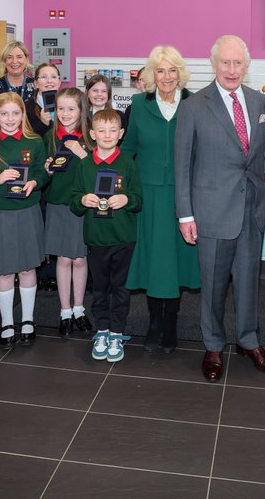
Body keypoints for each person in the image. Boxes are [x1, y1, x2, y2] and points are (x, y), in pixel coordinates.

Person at [175, 34, 265, 382]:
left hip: (251, 210)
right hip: (211, 212)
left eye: (238, 63)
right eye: (226, 62)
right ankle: (214, 346)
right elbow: (182, 164)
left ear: (246, 67)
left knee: (249, 283)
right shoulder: (192, 106)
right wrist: (185, 214)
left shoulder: (258, 101)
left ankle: (250, 341)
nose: (232, 70)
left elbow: (260, 149)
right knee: (214, 286)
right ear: (213, 64)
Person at [124, 45, 199, 354]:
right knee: (154, 260)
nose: (167, 76)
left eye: (172, 70)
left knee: (179, 260)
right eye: (160, 70)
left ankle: (172, 321)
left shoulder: (196, 103)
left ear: (180, 73)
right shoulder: (139, 104)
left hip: (184, 195)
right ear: (151, 75)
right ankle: (155, 322)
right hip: (149, 195)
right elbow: (127, 150)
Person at [72, 109, 143, 363]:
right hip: (96, 239)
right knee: (100, 289)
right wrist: (83, 199)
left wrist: (126, 198)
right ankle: (102, 331)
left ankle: (116, 332)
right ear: (92, 134)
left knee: (121, 290)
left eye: (113, 130)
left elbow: (138, 199)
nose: (107, 135)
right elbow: (74, 201)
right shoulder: (84, 164)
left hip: (124, 238)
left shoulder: (128, 163)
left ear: (121, 134)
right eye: (101, 130)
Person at [0, 93, 47, 349]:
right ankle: (7, 322)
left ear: (23, 115)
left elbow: (42, 172)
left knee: (29, 268)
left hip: (28, 211)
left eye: (16, 113)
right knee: (5, 270)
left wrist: (35, 181)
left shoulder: (35, 141)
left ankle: (28, 319)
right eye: (4, 114)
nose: (10, 119)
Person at [43, 88, 91, 336]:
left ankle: (79, 308)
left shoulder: (90, 138)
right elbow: (40, 177)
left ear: (82, 110)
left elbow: (98, 172)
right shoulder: (49, 139)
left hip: (82, 205)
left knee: (80, 258)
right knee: (63, 258)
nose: (65, 113)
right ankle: (64, 311)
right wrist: (47, 171)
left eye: (71, 108)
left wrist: (83, 153)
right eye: (60, 108)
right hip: (58, 204)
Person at [29, 62, 62, 135]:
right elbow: (28, 138)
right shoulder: (27, 107)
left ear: (59, 83)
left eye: (53, 77)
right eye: (44, 77)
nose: (49, 81)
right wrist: (43, 124)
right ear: (36, 84)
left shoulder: (68, 104)